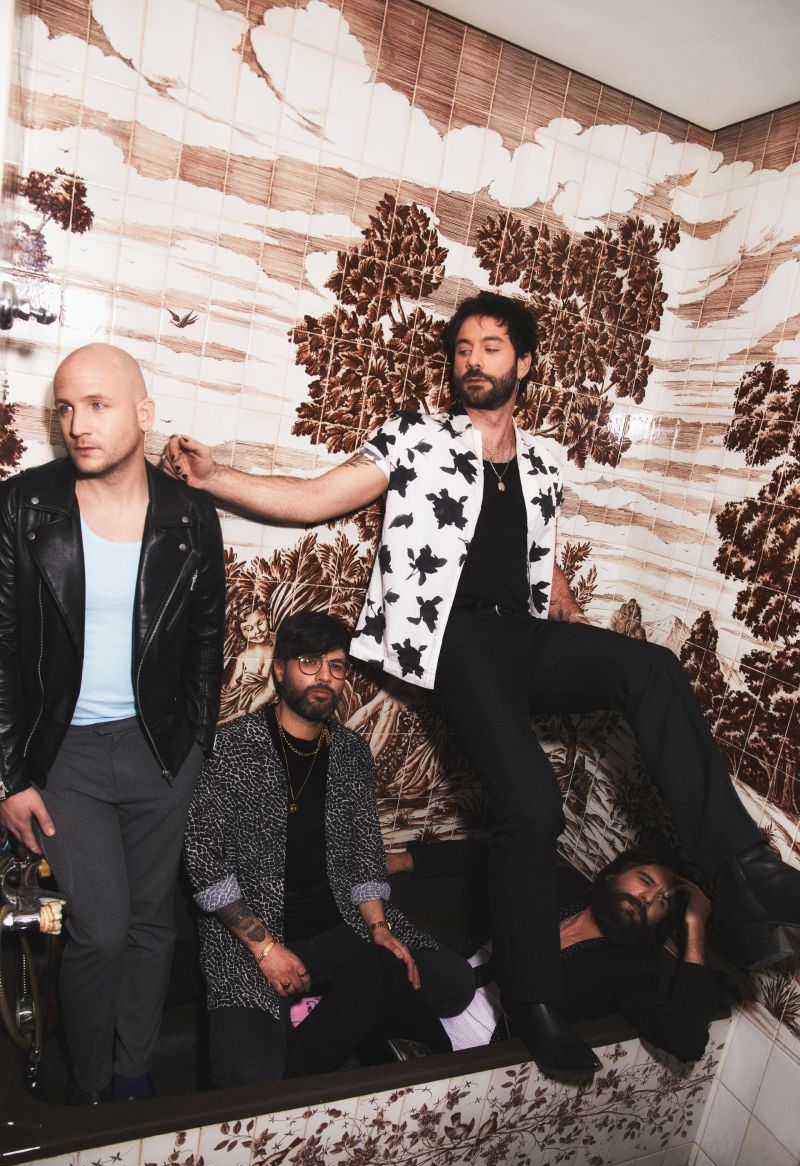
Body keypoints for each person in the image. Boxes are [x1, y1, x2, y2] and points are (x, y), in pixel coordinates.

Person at [162, 290, 800, 1076]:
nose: (472, 360)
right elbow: (314, 498)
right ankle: (535, 1003)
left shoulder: (543, 462)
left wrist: (571, 616)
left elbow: (536, 552)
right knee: (533, 802)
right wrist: (215, 476)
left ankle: (746, 870)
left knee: (653, 668)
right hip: (451, 637)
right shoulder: (416, 437)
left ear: (523, 363)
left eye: (490, 347)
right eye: (462, 348)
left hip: (522, 635)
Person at [0, 343, 225, 1104]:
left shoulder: (190, 515)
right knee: (98, 930)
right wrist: (10, 777)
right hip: (64, 758)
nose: (77, 424)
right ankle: (90, 1087)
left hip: (159, 751)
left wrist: (195, 749)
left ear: (144, 413)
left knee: (152, 923)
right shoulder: (24, 506)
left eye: (98, 405)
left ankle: (133, 1074)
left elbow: (206, 643)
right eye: (66, 407)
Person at [183, 611, 474, 1086]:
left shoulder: (351, 752)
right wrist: (267, 950)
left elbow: (364, 853)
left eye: (336, 666)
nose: (324, 677)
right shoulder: (230, 747)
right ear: (280, 671)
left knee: (454, 983)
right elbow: (204, 863)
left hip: (341, 923)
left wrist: (379, 930)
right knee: (247, 1076)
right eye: (309, 662)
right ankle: (346, 1009)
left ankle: (328, 1009)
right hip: (254, 935)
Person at [387, 841, 722, 1063]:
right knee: (380, 957)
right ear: (614, 875)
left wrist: (695, 926)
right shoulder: (564, 888)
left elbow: (685, 1040)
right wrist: (402, 861)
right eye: (646, 881)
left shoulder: (630, 970)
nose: (648, 898)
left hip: (455, 1050)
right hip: (429, 990)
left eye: (663, 901)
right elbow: (492, 858)